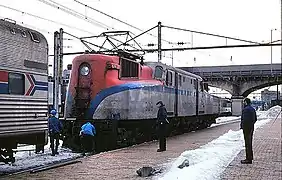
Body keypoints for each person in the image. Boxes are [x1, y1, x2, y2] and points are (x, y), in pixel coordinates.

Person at [240, 98, 257, 164]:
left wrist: (243, 126)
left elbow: (244, 120)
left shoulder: (246, 109)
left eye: (244, 102)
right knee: (250, 143)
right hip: (251, 127)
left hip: (246, 128)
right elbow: (255, 119)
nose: (243, 103)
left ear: (246, 102)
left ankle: (248, 159)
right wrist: (251, 124)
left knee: (247, 143)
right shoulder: (252, 109)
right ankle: (250, 157)